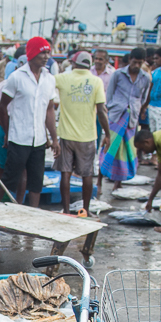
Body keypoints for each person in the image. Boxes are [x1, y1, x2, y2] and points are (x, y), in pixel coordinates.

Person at [0, 37, 57, 208]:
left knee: (36, 181)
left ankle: (33, 214)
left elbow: (49, 110)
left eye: (48, 52)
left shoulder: (49, 79)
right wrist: (7, 132)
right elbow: (2, 106)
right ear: (32, 54)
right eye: (42, 52)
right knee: (10, 179)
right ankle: (0, 212)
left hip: (38, 139)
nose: (46, 56)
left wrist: (53, 138)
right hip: (19, 138)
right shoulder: (16, 77)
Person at [54, 51, 109, 215]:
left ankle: (65, 209)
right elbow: (101, 111)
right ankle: (85, 210)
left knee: (66, 172)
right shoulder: (96, 81)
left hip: (66, 134)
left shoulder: (63, 78)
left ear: (73, 62)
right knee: (87, 174)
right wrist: (107, 133)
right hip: (87, 136)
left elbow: (47, 84)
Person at [99, 47, 150, 190]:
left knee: (126, 150)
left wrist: (139, 109)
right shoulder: (118, 74)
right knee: (108, 147)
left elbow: (144, 98)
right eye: (135, 62)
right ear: (129, 60)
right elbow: (109, 94)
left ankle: (118, 182)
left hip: (132, 118)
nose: (137, 66)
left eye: (140, 63)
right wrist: (111, 109)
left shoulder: (145, 78)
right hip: (116, 116)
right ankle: (99, 179)